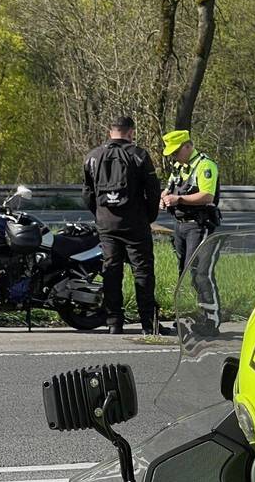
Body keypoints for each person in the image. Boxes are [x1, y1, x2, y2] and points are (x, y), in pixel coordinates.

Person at [83, 115, 162, 335]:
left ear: (110, 132)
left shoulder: (93, 157)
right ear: (131, 132)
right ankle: (148, 323)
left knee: (111, 270)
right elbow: (153, 191)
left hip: (107, 224)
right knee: (143, 271)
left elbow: (87, 193)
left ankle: (114, 322)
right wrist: (148, 217)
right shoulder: (139, 155)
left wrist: (100, 215)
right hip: (135, 223)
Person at [160, 129, 222, 337]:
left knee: (200, 273)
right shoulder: (179, 167)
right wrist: (165, 197)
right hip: (181, 226)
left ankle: (210, 319)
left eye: (176, 152)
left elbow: (207, 195)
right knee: (184, 274)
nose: (173, 157)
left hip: (199, 225)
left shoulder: (205, 165)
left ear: (187, 146)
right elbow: (168, 188)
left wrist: (179, 200)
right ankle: (188, 318)